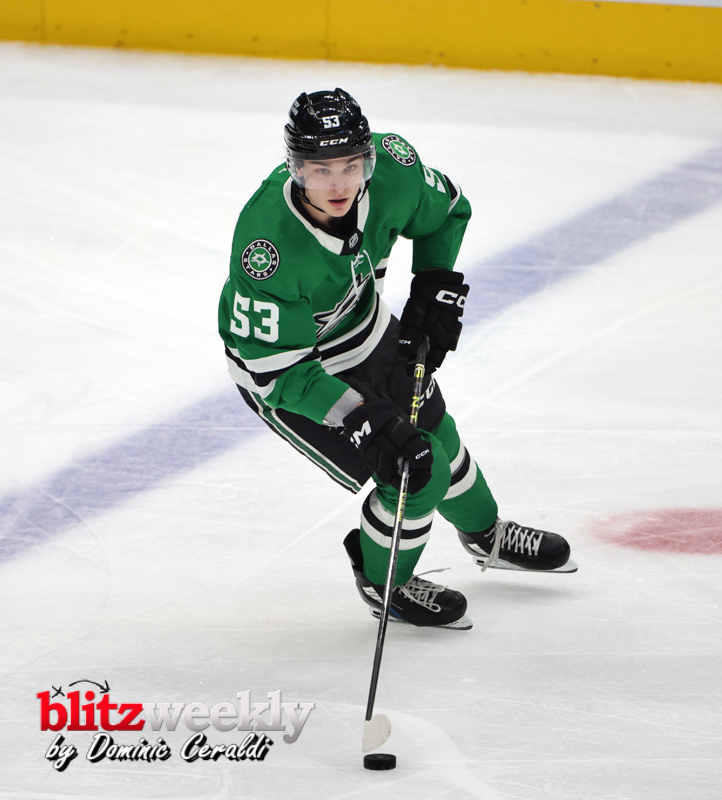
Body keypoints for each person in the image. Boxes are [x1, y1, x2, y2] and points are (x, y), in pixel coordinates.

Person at [218, 89, 576, 630]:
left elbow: (448, 210)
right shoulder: (265, 246)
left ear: (369, 158)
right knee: (411, 468)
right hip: (293, 372)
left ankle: (486, 535)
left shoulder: (394, 169)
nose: (338, 185)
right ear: (294, 168)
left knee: (437, 430)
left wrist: (435, 282)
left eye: (350, 166)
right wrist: (362, 417)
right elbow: (277, 371)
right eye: (319, 170)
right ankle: (384, 582)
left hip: (364, 329)